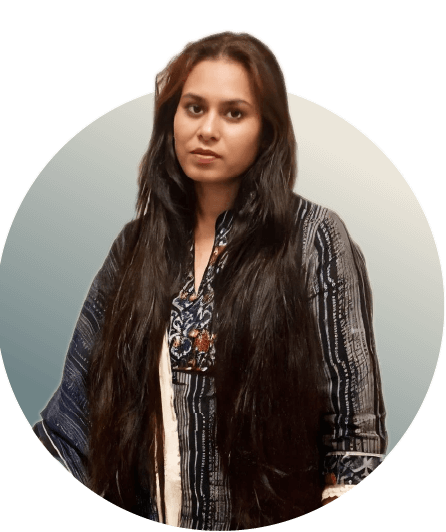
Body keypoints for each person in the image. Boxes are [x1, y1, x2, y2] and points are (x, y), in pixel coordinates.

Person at [32, 30, 388, 529]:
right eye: (194, 108)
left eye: (234, 113)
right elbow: (76, 419)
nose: (207, 130)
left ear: (267, 130)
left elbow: (355, 435)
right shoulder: (135, 246)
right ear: (171, 118)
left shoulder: (313, 238)